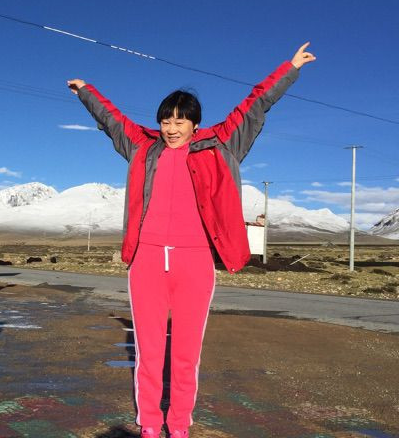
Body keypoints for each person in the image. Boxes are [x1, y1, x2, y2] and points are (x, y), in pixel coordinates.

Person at [67, 43, 316, 438]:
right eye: (166, 120)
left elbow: (255, 105)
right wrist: (86, 91)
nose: (171, 128)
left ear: (195, 124)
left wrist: (290, 68)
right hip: (147, 260)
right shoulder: (142, 147)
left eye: (180, 120)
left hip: (195, 261)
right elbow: (112, 119)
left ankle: (179, 423)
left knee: (185, 353)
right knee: (149, 351)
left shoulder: (221, 144)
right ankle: (150, 423)